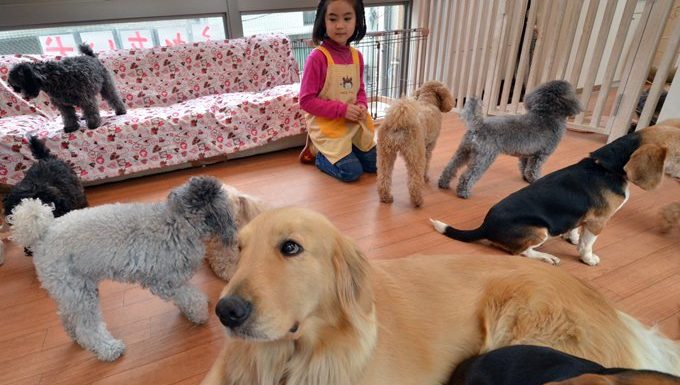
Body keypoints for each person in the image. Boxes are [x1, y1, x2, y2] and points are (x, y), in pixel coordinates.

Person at [299, 0, 376, 182]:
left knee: (375, 165)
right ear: (323, 22)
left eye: (347, 18)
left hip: (352, 123)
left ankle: (348, 149)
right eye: (333, 19)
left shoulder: (358, 56)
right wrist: (342, 110)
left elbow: (360, 90)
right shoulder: (317, 58)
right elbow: (306, 101)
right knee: (352, 172)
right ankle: (318, 154)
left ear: (357, 21)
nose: (340, 26)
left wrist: (362, 105)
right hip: (328, 127)